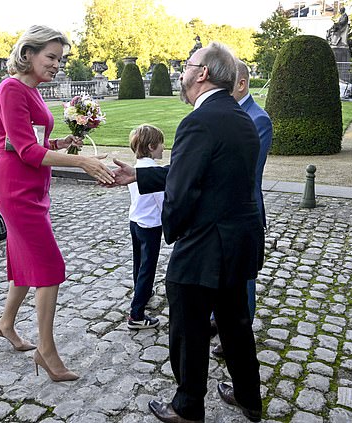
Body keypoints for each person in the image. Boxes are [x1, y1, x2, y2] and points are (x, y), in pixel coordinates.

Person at [110, 42, 264, 422]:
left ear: (203, 73)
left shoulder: (198, 120)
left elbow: (182, 191)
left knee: (187, 326)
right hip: (238, 239)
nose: (181, 71)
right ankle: (250, 398)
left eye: (187, 65)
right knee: (235, 324)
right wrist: (140, 173)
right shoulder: (239, 114)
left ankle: (187, 407)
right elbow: (206, 170)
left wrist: (172, 232)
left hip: (207, 243)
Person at [0, 25, 114, 383]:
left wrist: (62, 143)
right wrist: (83, 163)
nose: (57, 64)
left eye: (60, 58)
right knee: (49, 266)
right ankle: (47, 350)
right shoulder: (12, 89)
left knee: (23, 261)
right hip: (15, 187)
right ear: (27, 54)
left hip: (31, 183)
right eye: (51, 56)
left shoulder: (31, 90)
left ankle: (6, 324)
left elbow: (29, 141)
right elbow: (26, 151)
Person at [212, 60, 273, 358]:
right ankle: (218, 320)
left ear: (242, 84)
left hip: (243, 212)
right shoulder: (226, 113)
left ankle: (238, 335)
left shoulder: (258, 119)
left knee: (243, 280)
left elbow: (248, 173)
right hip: (219, 211)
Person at [126, 124, 165, 330]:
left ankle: (141, 291)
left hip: (135, 221)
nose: (163, 149)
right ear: (151, 146)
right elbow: (162, 202)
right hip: (150, 224)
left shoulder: (136, 167)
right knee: (147, 267)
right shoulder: (154, 171)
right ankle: (137, 314)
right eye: (161, 145)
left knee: (138, 263)